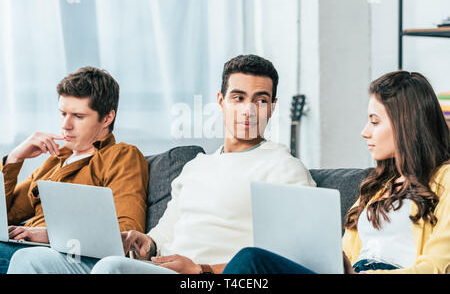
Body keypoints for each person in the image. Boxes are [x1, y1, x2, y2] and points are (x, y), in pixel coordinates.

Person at [8, 54, 316, 274]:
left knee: (112, 267)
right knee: (28, 262)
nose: (249, 110)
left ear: (272, 107)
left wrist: (202, 270)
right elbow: (165, 233)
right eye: (238, 98)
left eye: (260, 100)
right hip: (161, 266)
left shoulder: (283, 168)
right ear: (221, 102)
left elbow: (292, 259)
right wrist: (145, 241)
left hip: (203, 275)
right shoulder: (196, 167)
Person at [222, 70, 450, 274]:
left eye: (374, 122)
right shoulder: (378, 186)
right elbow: (344, 258)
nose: (364, 132)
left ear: (406, 124)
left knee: (251, 260)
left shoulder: (445, 179)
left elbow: (437, 267)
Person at [2, 67, 149, 274]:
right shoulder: (54, 161)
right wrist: (15, 158)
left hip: (66, 256)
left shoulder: (121, 155)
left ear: (107, 118)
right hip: (27, 249)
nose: (65, 125)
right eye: (63, 114)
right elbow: (6, 216)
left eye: (78, 116)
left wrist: (48, 234)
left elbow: (127, 232)